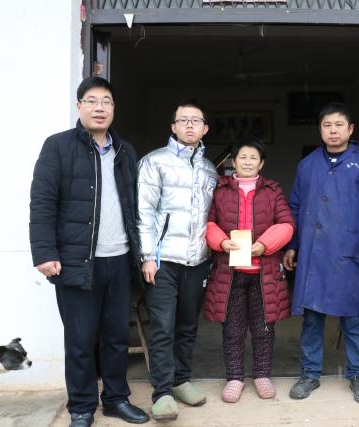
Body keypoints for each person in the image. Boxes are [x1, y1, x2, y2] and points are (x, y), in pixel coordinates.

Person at [29, 76, 149, 427]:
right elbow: (42, 202)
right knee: (81, 340)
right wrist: (44, 252)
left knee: (116, 337)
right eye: (92, 101)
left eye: (106, 101)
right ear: (79, 106)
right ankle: (81, 407)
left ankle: (116, 399)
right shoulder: (58, 146)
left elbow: (135, 207)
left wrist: (142, 255)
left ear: (114, 109)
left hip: (120, 259)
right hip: (76, 261)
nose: (100, 108)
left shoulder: (125, 152)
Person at [283, 102, 359, 404]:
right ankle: (310, 373)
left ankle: (358, 375)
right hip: (313, 254)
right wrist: (293, 244)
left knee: (351, 317)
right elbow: (295, 207)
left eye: (339, 125)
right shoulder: (308, 165)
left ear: (350, 129)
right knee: (312, 318)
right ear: (320, 130)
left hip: (348, 253)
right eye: (327, 125)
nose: (333, 131)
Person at [137, 100, 218, 420]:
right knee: (162, 326)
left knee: (187, 325)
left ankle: (182, 380)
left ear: (205, 129)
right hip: (163, 259)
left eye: (195, 120)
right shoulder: (154, 161)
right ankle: (162, 393)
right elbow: (143, 212)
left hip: (197, 260)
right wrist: (147, 256)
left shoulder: (209, 169)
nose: (189, 125)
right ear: (173, 127)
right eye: (183, 120)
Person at [203, 139, 295, 403]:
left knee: (263, 329)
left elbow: (286, 224)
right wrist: (221, 242)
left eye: (253, 158)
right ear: (233, 162)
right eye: (242, 157)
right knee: (232, 330)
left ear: (261, 164)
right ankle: (234, 377)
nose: (247, 162)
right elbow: (208, 222)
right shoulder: (220, 190)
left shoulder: (272, 190)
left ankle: (262, 375)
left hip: (264, 274)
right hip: (229, 273)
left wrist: (264, 244)